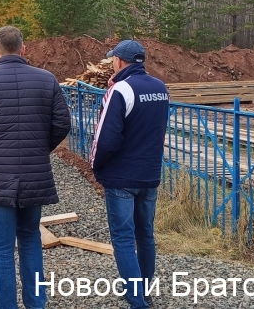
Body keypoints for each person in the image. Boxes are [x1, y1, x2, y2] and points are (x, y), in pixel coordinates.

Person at [0, 26, 70, 309]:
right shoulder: (47, 79)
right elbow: (62, 123)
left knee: (1, 250)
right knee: (31, 240)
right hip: (34, 173)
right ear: (24, 49)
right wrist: (40, 149)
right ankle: (36, 304)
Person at [91, 39, 169, 309]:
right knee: (145, 233)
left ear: (119, 61)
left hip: (122, 176)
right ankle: (144, 290)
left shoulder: (121, 90)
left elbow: (106, 138)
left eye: (113, 59)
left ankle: (136, 300)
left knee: (123, 238)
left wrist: (97, 166)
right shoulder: (160, 88)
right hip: (150, 172)